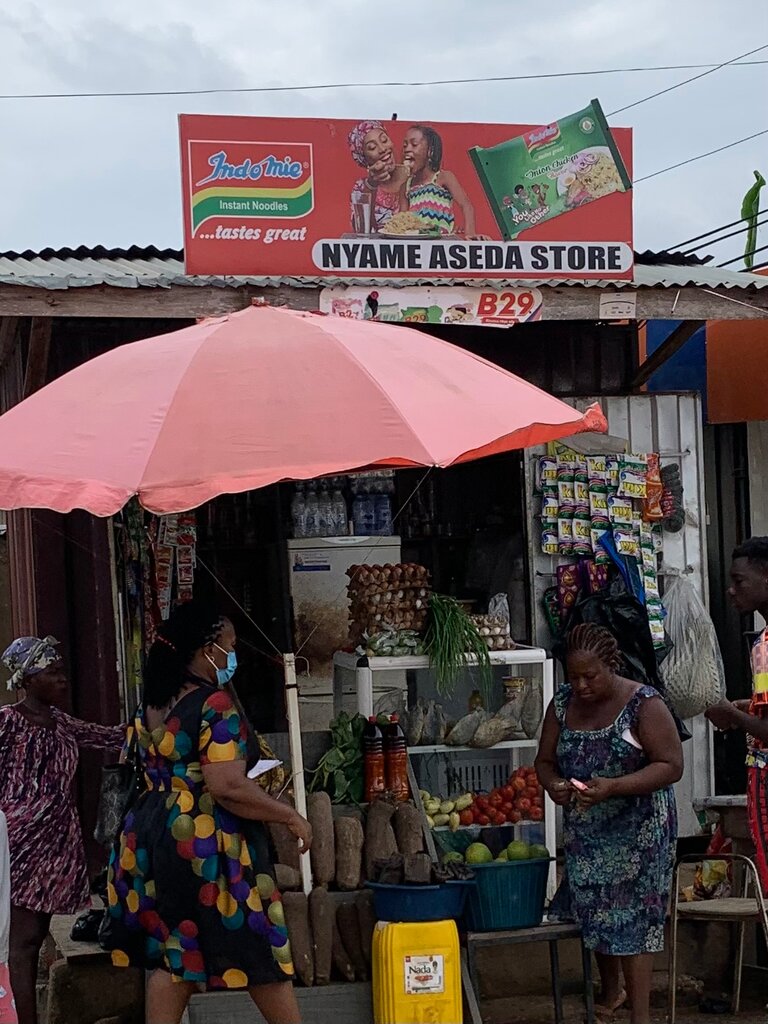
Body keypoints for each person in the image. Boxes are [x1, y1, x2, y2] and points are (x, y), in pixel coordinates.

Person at [106, 602, 312, 1024]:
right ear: (207, 650)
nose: (233, 657)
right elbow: (227, 785)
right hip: (204, 841)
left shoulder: (151, 706)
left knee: (176, 953)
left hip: (151, 837)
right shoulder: (214, 704)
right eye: (229, 648)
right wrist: (288, 815)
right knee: (257, 941)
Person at [535, 623, 683, 1024]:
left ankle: (640, 1016)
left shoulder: (644, 704)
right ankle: (611, 990)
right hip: (588, 831)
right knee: (598, 912)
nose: (581, 685)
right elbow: (544, 761)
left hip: (640, 832)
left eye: (590, 676)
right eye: (573, 676)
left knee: (634, 920)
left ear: (611, 665)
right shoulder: (562, 704)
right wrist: (554, 785)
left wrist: (614, 787)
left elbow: (671, 765)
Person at [0, 636, 125, 1024]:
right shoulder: (7, 722)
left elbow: (110, 736)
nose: (62, 679)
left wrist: (155, 721)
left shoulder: (61, 723)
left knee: (35, 936)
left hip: (56, 845)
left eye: (62, 672)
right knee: (22, 943)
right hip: (20, 845)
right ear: (28, 679)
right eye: (52, 673)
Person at [705, 537, 768, 894]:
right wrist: (749, 707)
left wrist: (730, 712)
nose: (731, 590)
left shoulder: (765, 647)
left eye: (739, 580)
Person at [400, 124, 481, 237]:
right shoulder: (406, 186)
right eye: (405, 146)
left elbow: (466, 206)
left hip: (441, 243)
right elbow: (402, 220)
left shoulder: (443, 177)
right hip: (416, 243)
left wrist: (470, 234)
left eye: (414, 144)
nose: (407, 149)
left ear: (430, 151)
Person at [348, 120, 409, 232]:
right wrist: (371, 187)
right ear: (364, 158)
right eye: (372, 147)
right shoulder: (361, 188)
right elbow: (360, 231)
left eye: (384, 140)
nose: (382, 149)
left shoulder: (414, 177)